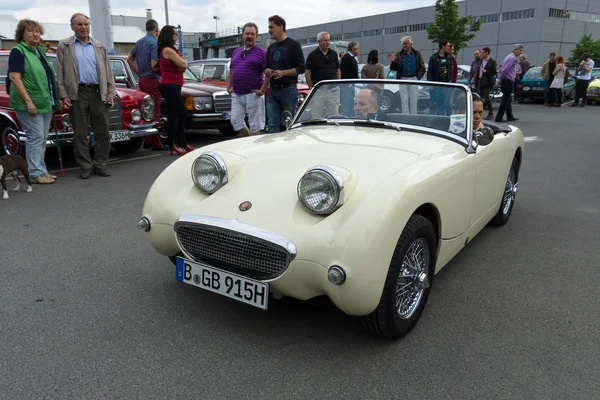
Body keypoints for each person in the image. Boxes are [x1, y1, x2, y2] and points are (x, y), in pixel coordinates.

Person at [56, 13, 116, 179]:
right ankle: (85, 166)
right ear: (72, 27)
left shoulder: (99, 46)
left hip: (98, 93)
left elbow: (108, 73)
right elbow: (59, 73)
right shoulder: (64, 46)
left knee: (103, 131)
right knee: (80, 133)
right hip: (77, 93)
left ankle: (100, 164)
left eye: (86, 24)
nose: (83, 27)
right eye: (79, 24)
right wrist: (63, 94)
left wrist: (111, 93)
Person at [8, 18, 61, 184]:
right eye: (30, 31)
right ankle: (35, 172)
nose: (35, 33)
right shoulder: (18, 51)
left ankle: (41, 170)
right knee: (35, 136)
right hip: (29, 103)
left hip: (44, 102)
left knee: (42, 137)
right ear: (22, 35)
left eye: (37, 31)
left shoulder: (39, 53)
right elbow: (15, 78)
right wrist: (28, 101)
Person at [127, 19, 166, 151]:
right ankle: (156, 141)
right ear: (156, 29)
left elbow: (129, 59)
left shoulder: (139, 42)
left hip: (142, 79)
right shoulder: (154, 43)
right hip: (153, 79)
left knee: (146, 110)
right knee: (155, 111)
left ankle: (148, 140)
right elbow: (154, 63)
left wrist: (139, 73)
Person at [226, 22, 268, 136]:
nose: (249, 36)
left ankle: (255, 149)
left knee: (255, 125)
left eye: (252, 34)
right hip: (237, 94)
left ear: (256, 36)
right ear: (242, 35)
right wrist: (228, 86)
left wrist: (262, 91)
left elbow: (269, 74)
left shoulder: (262, 54)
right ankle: (250, 139)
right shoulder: (236, 52)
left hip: (253, 94)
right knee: (235, 121)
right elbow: (231, 70)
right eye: (247, 33)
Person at [265, 15, 305, 133]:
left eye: (272, 27)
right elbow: (267, 66)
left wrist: (283, 73)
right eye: (269, 27)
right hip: (272, 91)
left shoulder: (294, 45)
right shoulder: (271, 48)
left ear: (281, 27)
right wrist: (267, 71)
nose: (269, 30)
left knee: (288, 124)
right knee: (272, 125)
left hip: (288, 90)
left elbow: (301, 68)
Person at [157, 25, 191, 155]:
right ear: (169, 35)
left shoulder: (172, 50)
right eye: (175, 34)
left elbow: (182, 67)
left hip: (175, 85)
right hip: (169, 85)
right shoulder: (167, 50)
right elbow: (183, 65)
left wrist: (181, 66)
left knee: (182, 115)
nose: (177, 36)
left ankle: (183, 142)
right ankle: (173, 143)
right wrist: (181, 66)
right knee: (174, 116)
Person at [305, 31, 340, 118]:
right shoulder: (312, 56)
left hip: (333, 90)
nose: (327, 42)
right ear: (319, 41)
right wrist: (311, 88)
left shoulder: (334, 54)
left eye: (328, 40)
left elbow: (338, 70)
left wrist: (338, 83)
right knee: (317, 115)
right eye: (325, 40)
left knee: (334, 115)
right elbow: (307, 73)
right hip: (318, 91)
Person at [388, 36, 426, 114]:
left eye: (406, 44)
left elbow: (422, 67)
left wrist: (417, 78)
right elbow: (393, 68)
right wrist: (393, 62)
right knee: (404, 100)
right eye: (403, 44)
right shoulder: (399, 55)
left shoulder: (417, 54)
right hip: (402, 78)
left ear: (410, 44)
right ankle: (405, 117)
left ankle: (413, 117)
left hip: (413, 78)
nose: (404, 46)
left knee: (413, 100)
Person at [495, 44, 523, 123]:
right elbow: (504, 70)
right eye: (520, 50)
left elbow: (502, 69)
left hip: (506, 80)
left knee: (508, 99)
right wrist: (500, 79)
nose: (520, 52)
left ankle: (510, 115)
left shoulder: (508, 57)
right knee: (505, 99)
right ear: (515, 50)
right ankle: (499, 117)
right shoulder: (512, 58)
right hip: (507, 80)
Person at [427, 40, 452, 115]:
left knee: (443, 104)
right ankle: (430, 120)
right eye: (447, 46)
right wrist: (430, 83)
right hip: (435, 84)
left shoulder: (448, 57)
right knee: (434, 103)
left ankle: (441, 120)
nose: (449, 48)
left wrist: (449, 80)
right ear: (442, 46)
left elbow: (450, 69)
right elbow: (430, 71)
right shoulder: (433, 57)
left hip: (445, 84)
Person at [339, 41, 359, 116]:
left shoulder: (349, 58)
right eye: (357, 49)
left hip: (350, 85)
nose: (358, 50)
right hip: (347, 85)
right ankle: (344, 119)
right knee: (346, 105)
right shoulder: (347, 58)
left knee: (350, 104)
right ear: (353, 49)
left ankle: (349, 117)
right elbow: (345, 71)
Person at [477, 47, 497, 120]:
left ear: (487, 52)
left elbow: (494, 72)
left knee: (486, 97)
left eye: (482, 52)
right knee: (477, 97)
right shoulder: (480, 61)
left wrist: (486, 71)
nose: (481, 53)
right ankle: (477, 112)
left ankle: (490, 113)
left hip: (487, 81)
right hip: (479, 80)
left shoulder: (492, 61)